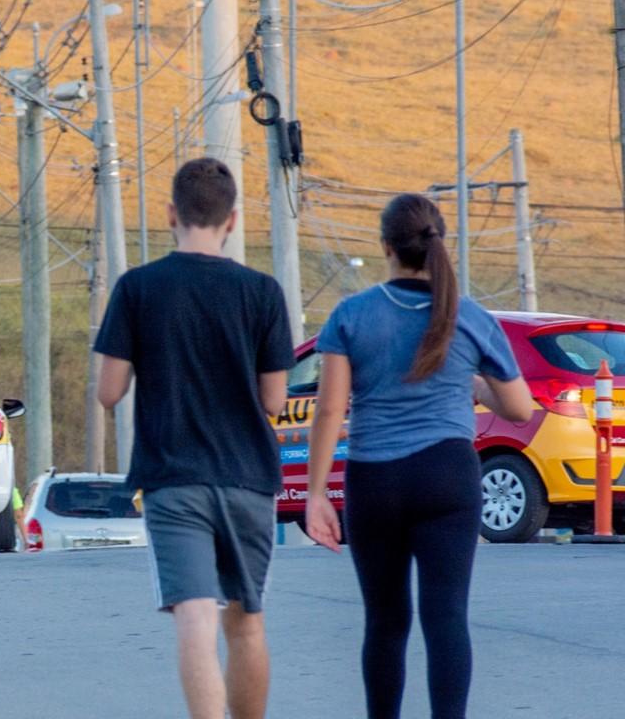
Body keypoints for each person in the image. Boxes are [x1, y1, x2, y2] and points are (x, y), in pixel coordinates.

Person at [304, 194, 532, 719]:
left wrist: (317, 494)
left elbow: (329, 411)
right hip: (448, 477)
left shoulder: (351, 315)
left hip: (375, 480)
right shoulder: (470, 316)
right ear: (440, 242)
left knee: (384, 621)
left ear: (386, 246)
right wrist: (475, 384)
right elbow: (519, 408)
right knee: (447, 616)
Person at [95, 158, 294, 719]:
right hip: (249, 478)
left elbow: (109, 392)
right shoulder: (262, 292)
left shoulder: (138, 287)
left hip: (173, 477)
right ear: (231, 220)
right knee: (246, 623)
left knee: (195, 621)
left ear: (170, 215)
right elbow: (274, 402)